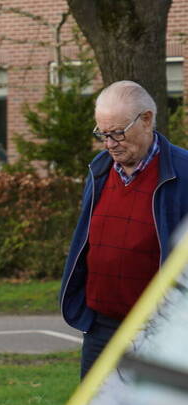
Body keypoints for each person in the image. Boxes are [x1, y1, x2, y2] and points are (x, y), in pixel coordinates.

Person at [60, 80, 188, 377]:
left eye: (117, 132)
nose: (109, 143)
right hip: (101, 328)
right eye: (102, 134)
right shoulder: (100, 168)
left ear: (146, 120)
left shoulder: (183, 173)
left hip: (160, 333)